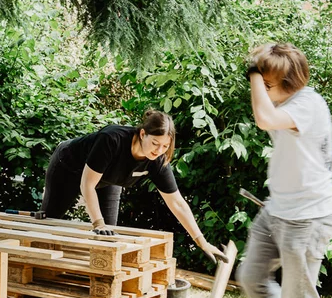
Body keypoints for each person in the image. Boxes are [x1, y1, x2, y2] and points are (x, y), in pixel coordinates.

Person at [237, 43, 332, 298]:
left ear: (289, 83)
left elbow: (263, 118)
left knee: (299, 295)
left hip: (307, 218)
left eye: (268, 85)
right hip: (278, 209)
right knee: (251, 277)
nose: (263, 92)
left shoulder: (308, 104)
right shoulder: (289, 101)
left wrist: (253, 71)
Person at [40, 110, 228, 265]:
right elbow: (87, 184)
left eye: (165, 146)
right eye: (155, 143)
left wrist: (201, 242)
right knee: (49, 222)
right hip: (68, 169)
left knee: (108, 235)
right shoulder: (111, 139)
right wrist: (97, 223)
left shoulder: (157, 160)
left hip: (108, 180)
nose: (158, 150)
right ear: (142, 134)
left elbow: (177, 202)